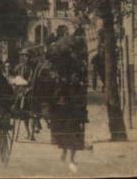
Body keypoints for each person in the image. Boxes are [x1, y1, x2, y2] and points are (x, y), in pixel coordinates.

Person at [47, 32, 88, 173]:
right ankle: (67, 154)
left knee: (70, 130)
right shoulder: (71, 63)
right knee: (70, 130)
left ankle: (68, 155)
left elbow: (80, 82)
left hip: (71, 102)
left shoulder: (74, 64)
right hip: (69, 102)